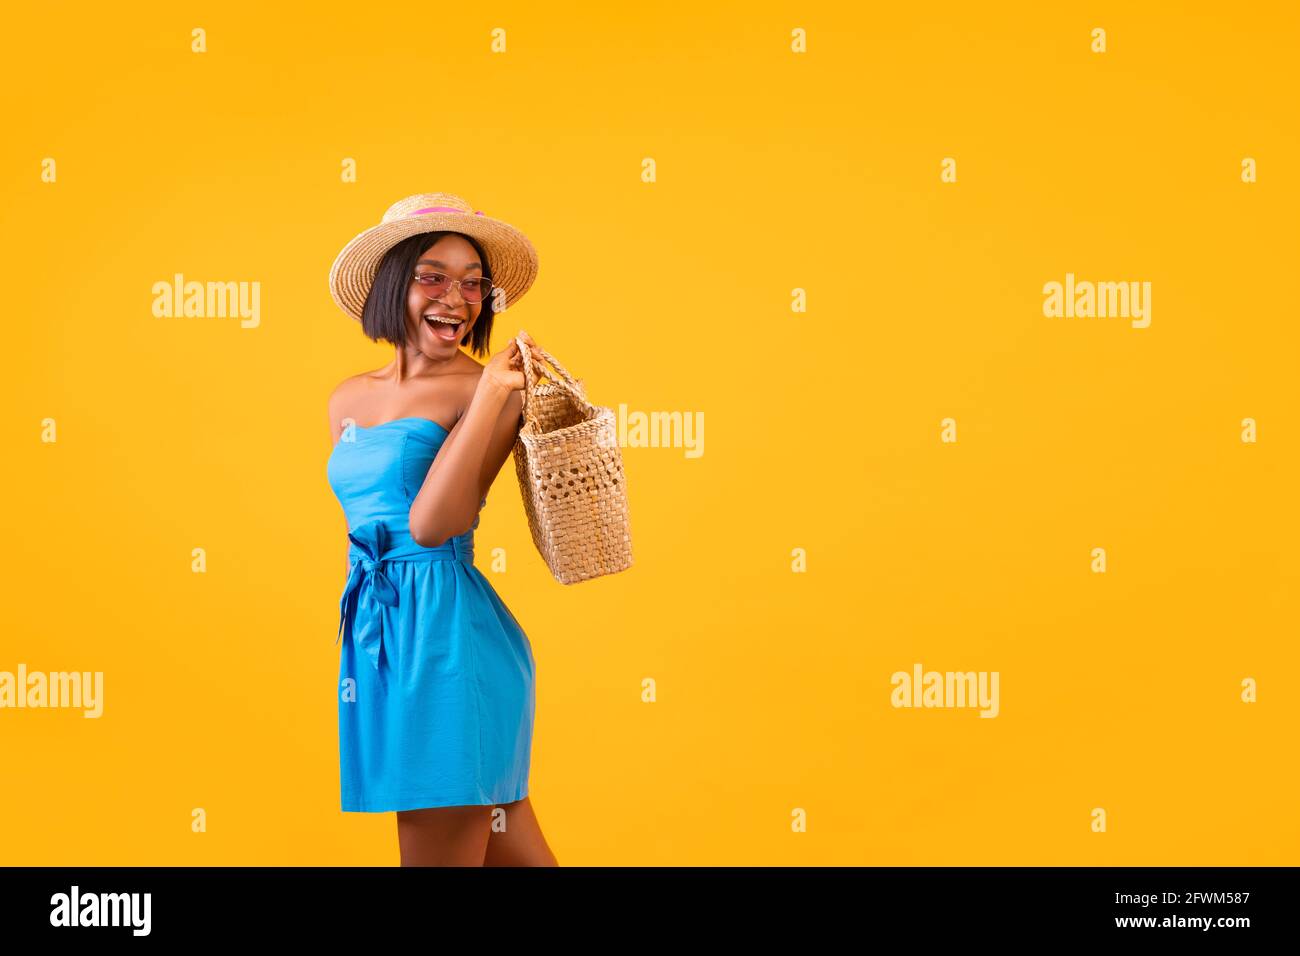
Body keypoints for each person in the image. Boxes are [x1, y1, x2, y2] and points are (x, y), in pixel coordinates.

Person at [325, 192, 556, 866]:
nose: (456, 297)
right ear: (392, 283)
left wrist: (489, 397)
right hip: (381, 639)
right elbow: (365, 527)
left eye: (473, 282)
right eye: (433, 275)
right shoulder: (346, 399)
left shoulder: (489, 390)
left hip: (449, 645)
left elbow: (431, 525)